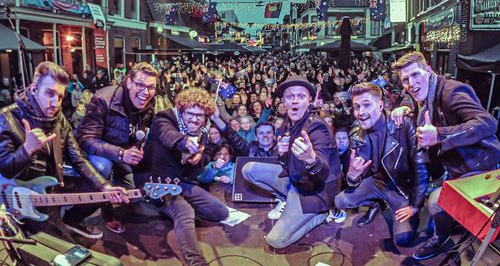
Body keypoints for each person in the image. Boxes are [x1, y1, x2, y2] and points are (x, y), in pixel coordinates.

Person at [0, 61, 128, 240]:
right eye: (50, 94)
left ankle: (72, 220)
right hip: (19, 199)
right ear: (34, 89)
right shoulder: (7, 118)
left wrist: (105, 186)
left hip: (52, 193)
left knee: (99, 178)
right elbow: (5, 169)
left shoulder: (58, 119)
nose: (55, 103)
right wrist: (27, 149)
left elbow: (78, 158)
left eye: (60, 97)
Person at [390, 52, 500, 260]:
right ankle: (445, 231)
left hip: (482, 167)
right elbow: (424, 110)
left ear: (429, 70)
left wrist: (440, 135)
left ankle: (449, 241)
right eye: (405, 80)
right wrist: (405, 109)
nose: (411, 84)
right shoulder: (424, 96)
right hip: (458, 168)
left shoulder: (451, 91)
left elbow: (488, 123)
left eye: (415, 75)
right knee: (436, 204)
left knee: (436, 203)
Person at [239, 75, 342, 249]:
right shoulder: (287, 124)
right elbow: (285, 162)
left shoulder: (317, 127)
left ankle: (321, 215)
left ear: (309, 100)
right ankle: (288, 200)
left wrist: (311, 159)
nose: (294, 101)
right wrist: (281, 153)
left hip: (314, 191)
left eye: (301, 96)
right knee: (248, 169)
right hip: (295, 181)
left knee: (276, 241)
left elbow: (323, 170)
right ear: (284, 101)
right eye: (289, 96)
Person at [334, 83, 428, 246]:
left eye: (366, 105)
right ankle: (376, 204)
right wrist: (352, 176)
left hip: (401, 189)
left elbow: (421, 168)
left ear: (380, 105)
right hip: (377, 183)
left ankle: (405, 211)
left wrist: (415, 205)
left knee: (403, 239)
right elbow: (355, 178)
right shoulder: (356, 135)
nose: (361, 112)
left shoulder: (402, 124)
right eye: (356, 107)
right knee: (340, 201)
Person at [147, 87, 229, 266]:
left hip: (181, 183)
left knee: (220, 212)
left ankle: (175, 213)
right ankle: (196, 262)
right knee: (185, 212)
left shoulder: (203, 133)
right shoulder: (165, 118)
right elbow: (168, 135)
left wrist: (197, 160)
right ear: (181, 110)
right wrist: (185, 143)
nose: (194, 119)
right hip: (159, 182)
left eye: (200, 116)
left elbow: (198, 170)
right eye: (190, 114)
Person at [75, 62, 158, 234]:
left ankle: (113, 188)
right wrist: (121, 154)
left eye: (151, 87)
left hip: (122, 154)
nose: (146, 92)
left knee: (133, 197)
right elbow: (85, 139)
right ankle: (82, 214)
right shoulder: (103, 99)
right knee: (102, 167)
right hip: (97, 154)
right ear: (128, 82)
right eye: (140, 85)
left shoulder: (149, 103)